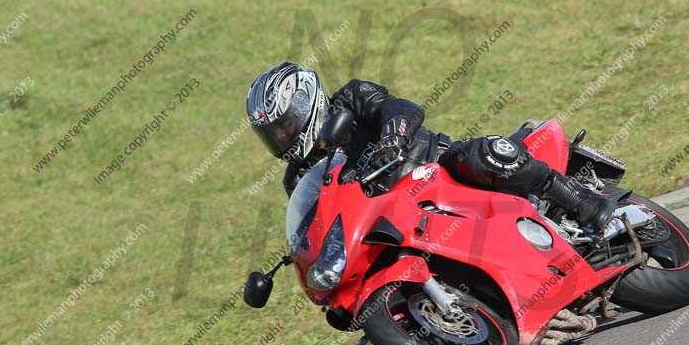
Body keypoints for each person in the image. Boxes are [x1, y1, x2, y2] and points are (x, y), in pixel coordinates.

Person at [246, 62, 616, 233]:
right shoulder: (298, 179)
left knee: (483, 153)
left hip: (440, 173)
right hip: (402, 222)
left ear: (305, 104)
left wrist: (393, 139)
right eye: (273, 134)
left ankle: (581, 199)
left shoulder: (351, 98)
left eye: (285, 126)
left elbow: (402, 108)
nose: (282, 137)